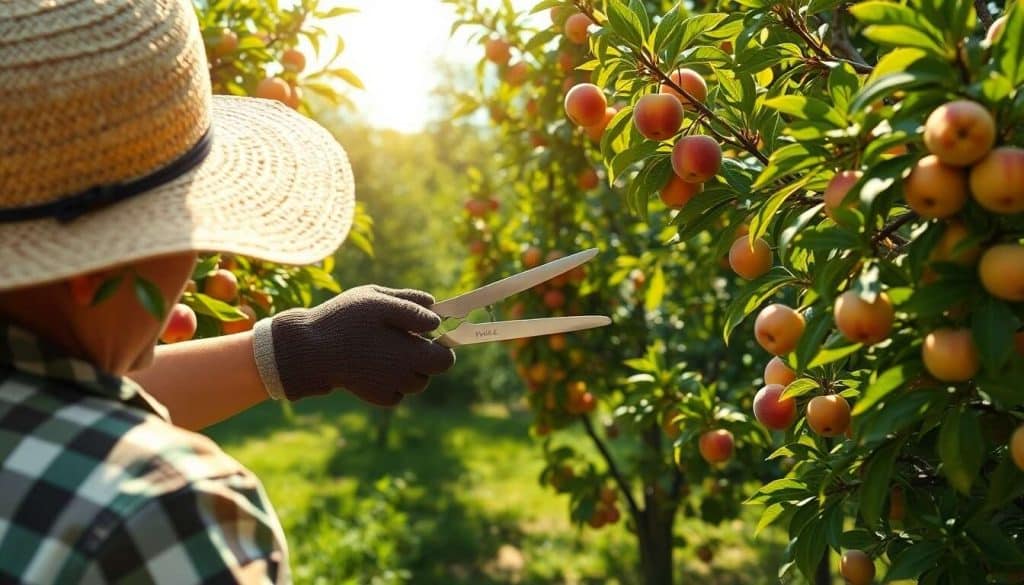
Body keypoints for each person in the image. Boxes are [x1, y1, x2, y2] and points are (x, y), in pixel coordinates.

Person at [0, 0, 455, 582]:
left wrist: (296, 350)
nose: (193, 268)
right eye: (187, 224)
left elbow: (58, 410)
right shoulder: (160, 514)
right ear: (99, 267)